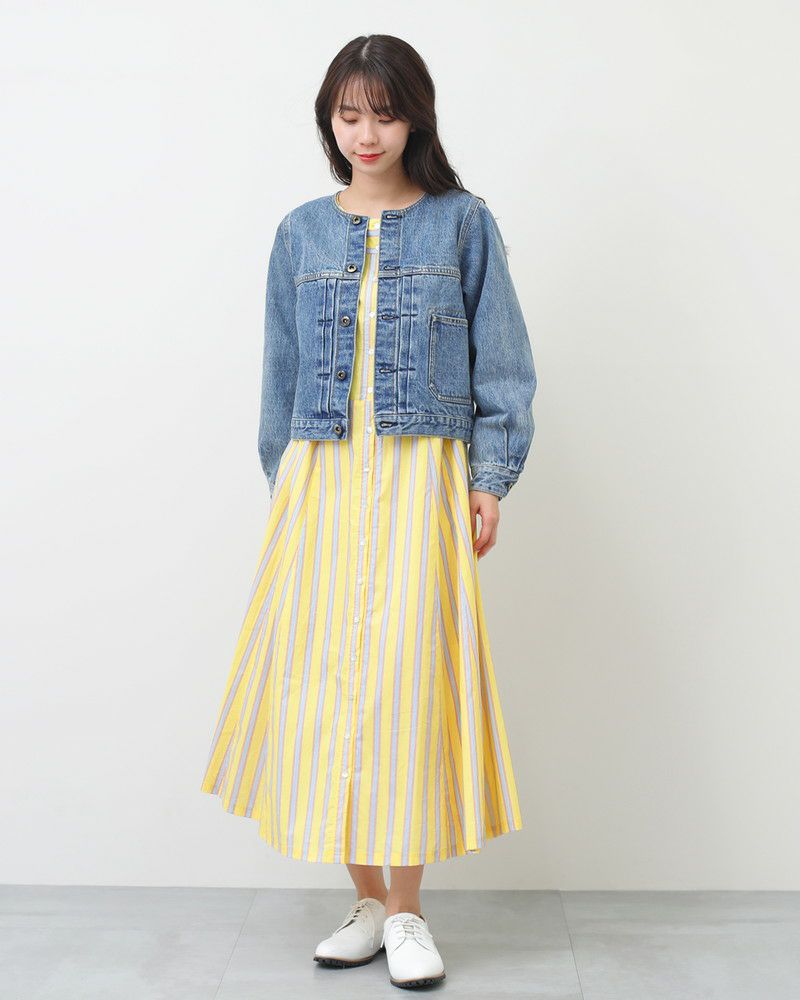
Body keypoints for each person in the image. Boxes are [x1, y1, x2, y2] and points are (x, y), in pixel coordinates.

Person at [200, 33, 537, 990]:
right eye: (349, 115)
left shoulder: (463, 224)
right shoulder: (300, 233)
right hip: (321, 482)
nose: (367, 133)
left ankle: (409, 910)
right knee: (324, 690)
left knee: (407, 687)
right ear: (330, 121)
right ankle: (365, 902)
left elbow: (504, 364)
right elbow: (280, 375)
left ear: (415, 118)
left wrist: (489, 476)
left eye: (384, 114)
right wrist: (285, 487)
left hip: (423, 479)